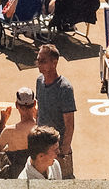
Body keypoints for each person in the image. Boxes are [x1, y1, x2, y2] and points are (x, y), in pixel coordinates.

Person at [34, 45, 75, 178]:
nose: (39, 64)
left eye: (43, 61)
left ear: (54, 62)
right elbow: (40, 108)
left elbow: (69, 124)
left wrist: (64, 150)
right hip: (41, 145)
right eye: (38, 60)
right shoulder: (39, 81)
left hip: (57, 148)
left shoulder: (65, 88)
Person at [0, 88, 37, 178]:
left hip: (15, 171)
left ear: (16, 105)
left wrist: (3, 121)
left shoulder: (9, 131)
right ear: (34, 103)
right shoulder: (40, 128)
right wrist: (37, 116)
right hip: (33, 169)